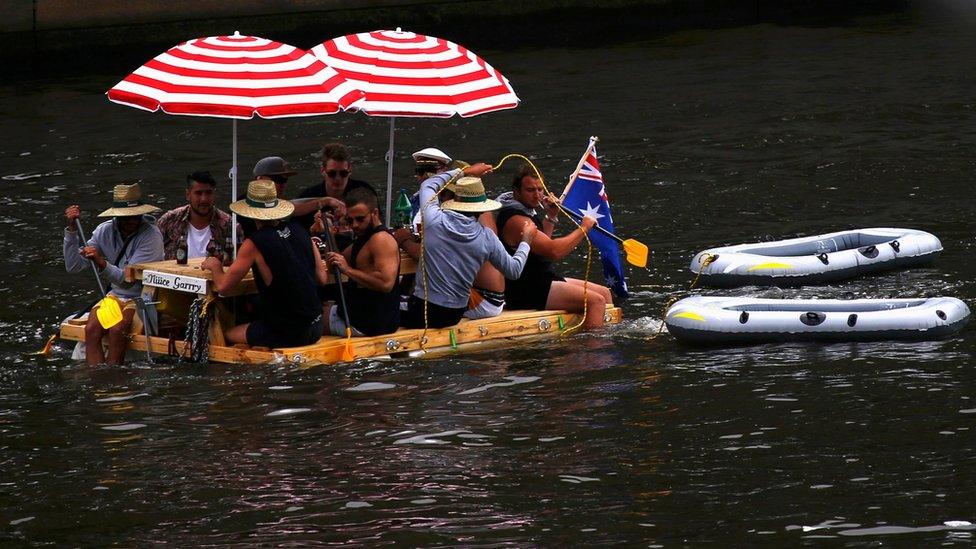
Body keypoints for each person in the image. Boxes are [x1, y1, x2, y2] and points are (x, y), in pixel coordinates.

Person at [398, 164, 537, 329]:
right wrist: (526, 240)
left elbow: (428, 184)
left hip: (423, 311)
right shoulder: (487, 238)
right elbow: (514, 270)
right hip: (454, 315)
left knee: (381, 305)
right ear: (481, 209)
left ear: (456, 200)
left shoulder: (434, 220)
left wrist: (464, 172)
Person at [201, 179, 328, 348]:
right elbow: (322, 278)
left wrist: (215, 266)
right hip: (316, 326)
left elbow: (224, 287)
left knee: (228, 334)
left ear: (249, 212)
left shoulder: (253, 243)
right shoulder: (301, 229)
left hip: (289, 333)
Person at [498, 164, 614, 329]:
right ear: (516, 191)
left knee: (605, 293)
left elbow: (541, 247)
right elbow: (554, 251)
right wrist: (584, 228)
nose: (537, 195)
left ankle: (593, 332)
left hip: (542, 278)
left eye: (540, 189)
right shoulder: (517, 220)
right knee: (596, 301)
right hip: (526, 288)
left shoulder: (526, 212)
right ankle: (594, 351)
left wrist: (551, 215)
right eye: (530, 190)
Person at [394, 155, 507, 320]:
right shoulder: (476, 214)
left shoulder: (471, 221)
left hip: (483, 299)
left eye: (446, 193)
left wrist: (403, 240)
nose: (442, 198)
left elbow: (424, 256)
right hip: (485, 295)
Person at [63, 183, 165, 365]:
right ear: (117, 216)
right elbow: (73, 266)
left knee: (117, 330)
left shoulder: (151, 235)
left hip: (142, 297)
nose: (131, 222)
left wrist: (102, 263)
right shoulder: (104, 231)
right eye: (126, 218)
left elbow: (128, 281)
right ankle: (95, 379)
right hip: (115, 296)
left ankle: (113, 377)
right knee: (92, 329)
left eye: (135, 217)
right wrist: (71, 231)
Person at [321, 187, 401, 337]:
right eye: (350, 220)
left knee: (312, 319)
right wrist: (329, 232)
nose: (355, 225)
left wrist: (348, 270)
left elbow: (386, 283)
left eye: (360, 219)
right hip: (361, 317)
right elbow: (335, 264)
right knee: (320, 308)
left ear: (375, 213)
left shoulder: (381, 239)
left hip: (368, 325)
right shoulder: (365, 237)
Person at [240, 156, 338, 238]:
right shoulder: (248, 201)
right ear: (260, 179)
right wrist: (325, 201)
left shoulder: (275, 202)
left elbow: (291, 204)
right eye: (278, 179)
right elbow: (291, 208)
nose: (283, 185)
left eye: (285, 180)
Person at [157, 170, 240, 261]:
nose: (204, 199)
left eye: (208, 193)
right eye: (198, 193)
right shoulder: (169, 221)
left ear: (214, 194)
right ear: (188, 195)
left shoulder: (229, 225)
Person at [296, 142, 378, 232]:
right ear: (323, 171)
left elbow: (377, 223)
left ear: (350, 170)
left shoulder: (364, 191)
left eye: (343, 173)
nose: (338, 178)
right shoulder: (309, 195)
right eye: (332, 174)